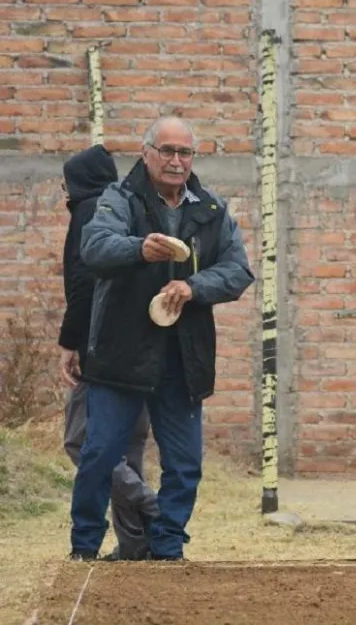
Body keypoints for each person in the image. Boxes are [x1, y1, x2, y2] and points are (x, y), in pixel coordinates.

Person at [69, 116, 255, 561]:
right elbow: (94, 247)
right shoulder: (118, 198)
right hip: (121, 352)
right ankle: (84, 548)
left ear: (193, 158)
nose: (176, 161)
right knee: (99, 454)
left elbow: (238, 271)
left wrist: (194, 287)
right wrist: (138, 249)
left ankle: (168, 547)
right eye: (167, 151)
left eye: (184, 152)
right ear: (146, 152)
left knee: (185, 463)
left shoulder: (212, 208)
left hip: (182, 357)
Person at [58, 144, 159, 561]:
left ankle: (148, 502)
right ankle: (135, 543)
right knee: (128, 446)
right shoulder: (129, 207)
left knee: (81, 440)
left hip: (101, 349)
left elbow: (85, 284)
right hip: (139, 347)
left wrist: (71, 342)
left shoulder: (89, 213)